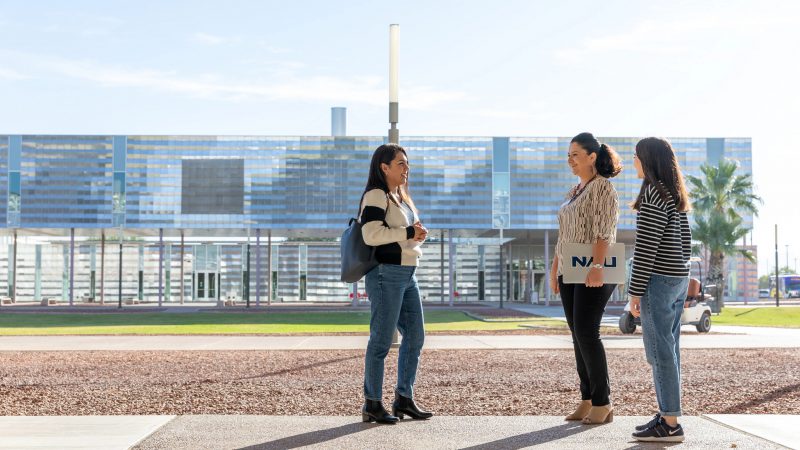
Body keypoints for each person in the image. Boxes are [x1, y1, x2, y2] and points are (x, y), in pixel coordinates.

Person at [550, 132, 622, 425]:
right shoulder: (575, 190)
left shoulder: (603, 187)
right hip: (569, 268)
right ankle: (587, 399)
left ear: (592, 157)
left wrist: (597, 265)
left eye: (575, 155)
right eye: (568, 155)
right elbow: (563, 235)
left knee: (587, 332)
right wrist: (554, 270)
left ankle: (603, 403)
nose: (570, 160)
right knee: (577, 334)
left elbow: (605, 231)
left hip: (594, 268)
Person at [359, 143, 432, 424]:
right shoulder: (376, 195)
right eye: (400, 163)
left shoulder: (399, 197)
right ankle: (372, 403)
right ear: (384, 167)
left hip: (407, 273)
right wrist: (408, 231)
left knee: (415, 336)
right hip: (385, 274)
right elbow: (371, 234)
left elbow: (404, 234)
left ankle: (404, 398)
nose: (406, 168)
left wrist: (416, 234)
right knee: (381, 340)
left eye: (407, 163)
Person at [627, 137, 692, 442]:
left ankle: (670, 424)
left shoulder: (654, 193)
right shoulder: (673, 193)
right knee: (670, 351)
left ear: (648, 159)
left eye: (636, 156)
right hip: (676, 279)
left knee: (660, 353)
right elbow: (686, 242)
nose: (633, 162)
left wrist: (634, 291)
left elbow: (645, 249)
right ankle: (668, 414)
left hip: (659, 281)